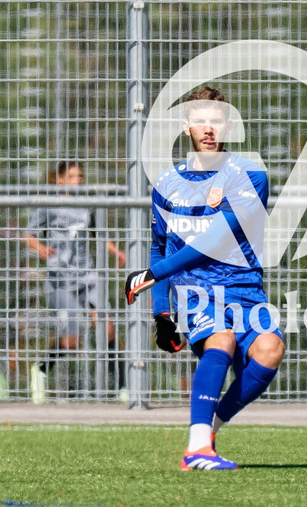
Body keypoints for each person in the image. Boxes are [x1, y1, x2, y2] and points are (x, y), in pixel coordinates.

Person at [125, 86, 285, 471]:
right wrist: (162, 313)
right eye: (200, 121)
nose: (208, 128)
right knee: (221, 339)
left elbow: (219, 237)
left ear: (228, 126)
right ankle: (197, 448)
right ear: (186, 127)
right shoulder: (167, 183)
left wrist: (152, 275)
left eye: (216, 120)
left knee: (270, 349)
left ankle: (208, 432)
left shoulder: (249, 175)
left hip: (244, 290)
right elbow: (160, 248)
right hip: (197, 292)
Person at [22, 160, 127, 403]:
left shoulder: (85, 204)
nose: (77, 180)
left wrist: (115, 251)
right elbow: (27, 235)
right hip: (60, 278)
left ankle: (123, 386)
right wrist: (40, 248)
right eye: (71, 176)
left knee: (106, 328)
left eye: (80, 176)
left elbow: (98, 235)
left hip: (87, 274)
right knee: (72, 338)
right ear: (59, 179)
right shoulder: (49, 204)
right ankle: (40, 369)